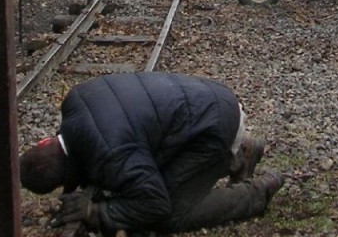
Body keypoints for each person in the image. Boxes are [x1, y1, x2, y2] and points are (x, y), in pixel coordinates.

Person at [19, 72, 283, 236]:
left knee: (172, 215)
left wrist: (97, 212)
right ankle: (241, 154)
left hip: (213, 127)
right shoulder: (74, 101)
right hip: (207, 96)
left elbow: (155, 204)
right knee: (144, 183)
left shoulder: (111, 155)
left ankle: (256, 192)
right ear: (45, 141)